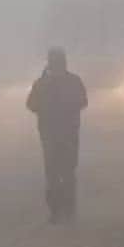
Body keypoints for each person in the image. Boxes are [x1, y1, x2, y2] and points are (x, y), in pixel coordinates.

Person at [26, 48, 88, 223]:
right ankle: (69, 209)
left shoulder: (41, 83)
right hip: (69, 135)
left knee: (52, 174)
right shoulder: (74, 81)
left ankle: (55, 211)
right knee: (68, 172)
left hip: (49, 135)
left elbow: (30, 104)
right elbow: (84, 102)